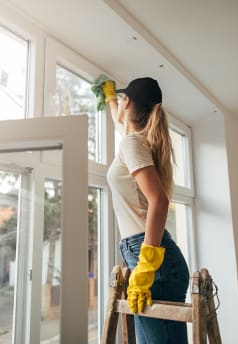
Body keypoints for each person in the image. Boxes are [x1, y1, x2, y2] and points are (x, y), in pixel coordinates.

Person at [99, 77, 190, 343]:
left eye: (121, 100)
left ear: (128, 102)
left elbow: (159, 201)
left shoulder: (132, 144)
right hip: (150, 254)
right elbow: (120, 119)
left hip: (151, 258)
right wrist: (108, 99)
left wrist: (147, 265)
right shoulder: (136, 141)